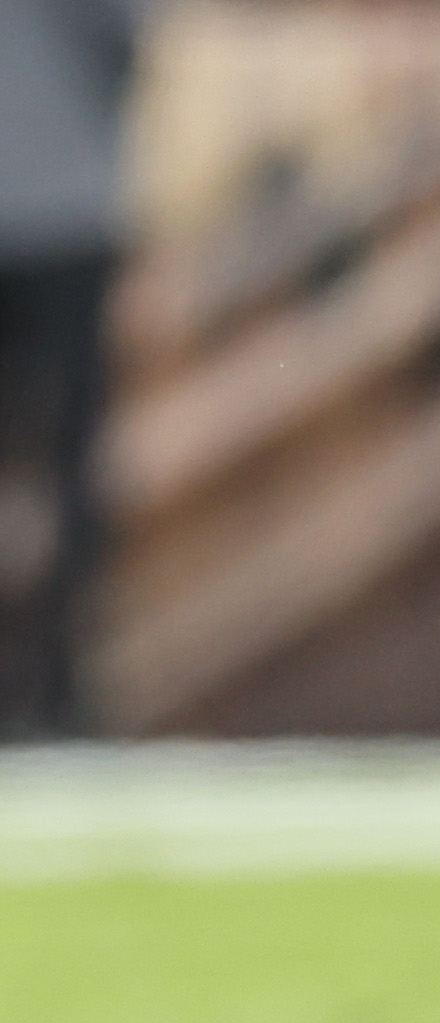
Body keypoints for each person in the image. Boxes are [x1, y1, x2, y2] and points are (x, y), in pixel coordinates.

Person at [0, 0, 146, 736]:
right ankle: (58, 692)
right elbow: (122, 32)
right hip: (64, 205)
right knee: (68, 463)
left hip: (64, 201)